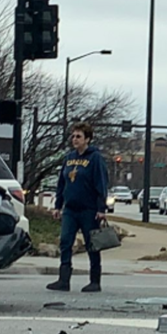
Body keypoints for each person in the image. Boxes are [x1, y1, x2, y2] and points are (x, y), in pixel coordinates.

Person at [46, 122, 110, 293]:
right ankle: (63, 279)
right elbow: (62, 183)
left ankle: (95, 281)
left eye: (79, 136)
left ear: (87, 139)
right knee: (65, 242)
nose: (75, 139)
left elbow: (101, 184)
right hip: (70, 210)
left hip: (89, 210)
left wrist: (101, 209)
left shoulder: (95, 158)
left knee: (92, 245)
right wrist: (58, 206)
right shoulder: (69, 157)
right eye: (73, 136)